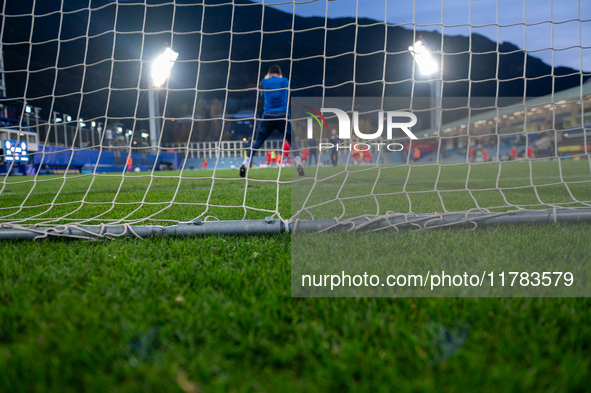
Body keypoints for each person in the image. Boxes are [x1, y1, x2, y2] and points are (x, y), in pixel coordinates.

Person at [239, 65, 304, 177]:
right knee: (292, 141)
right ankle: (299, 163)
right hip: (283, 115)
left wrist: (267, 78)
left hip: (268, 115)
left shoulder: (264, 82)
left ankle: (245, 163)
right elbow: (283, 86)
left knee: (258, 142)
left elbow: (261, 90)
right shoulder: (284, 81)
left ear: (269, 74)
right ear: (279, 74)